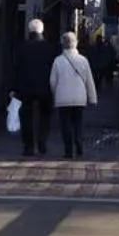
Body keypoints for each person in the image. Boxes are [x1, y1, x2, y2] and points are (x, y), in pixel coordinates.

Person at [49, 31, 98, 159]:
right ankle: (79, 144)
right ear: (75, 44)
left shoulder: (58, 61)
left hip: (63, 99)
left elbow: (53, 81)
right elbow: (89, 80)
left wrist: (55, 95)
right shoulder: (83, 60)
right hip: (79, 98)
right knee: (78, 123)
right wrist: (92, 98)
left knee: (65, 124)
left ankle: (68, 150)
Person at [16, 19, 58, 157]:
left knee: (26, 116)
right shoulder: (50, 48)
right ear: (42, 30)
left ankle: (28, 146)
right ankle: (42, 143)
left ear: (29, 30)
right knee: (45, 115)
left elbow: (15, 68)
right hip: (45, 87)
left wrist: (13, 87)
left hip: (26, 86)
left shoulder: (21, 47)